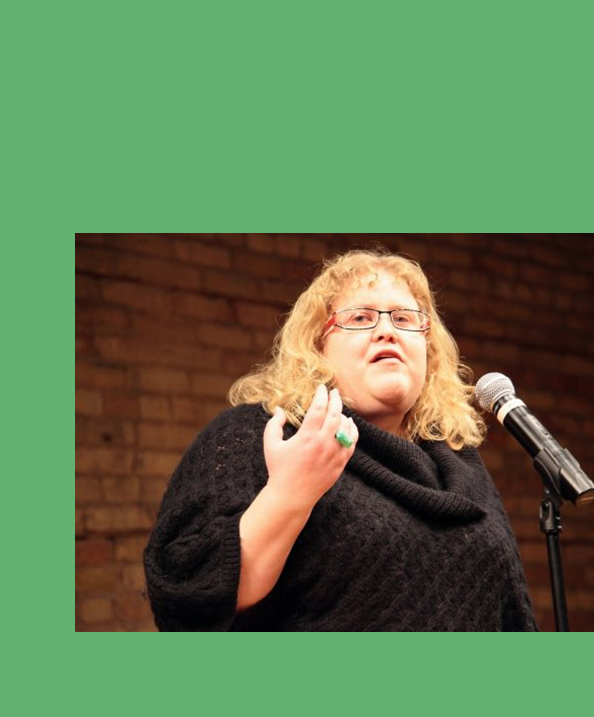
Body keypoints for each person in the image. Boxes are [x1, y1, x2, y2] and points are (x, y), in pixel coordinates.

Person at [143, 250, 537, 631]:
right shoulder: (262, 434)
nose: (387, 331)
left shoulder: (461, 465)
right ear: (317, 347)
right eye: (361, 317)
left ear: (429, 350)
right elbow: (189, 595)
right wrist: (289, 492)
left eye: (404, 318)